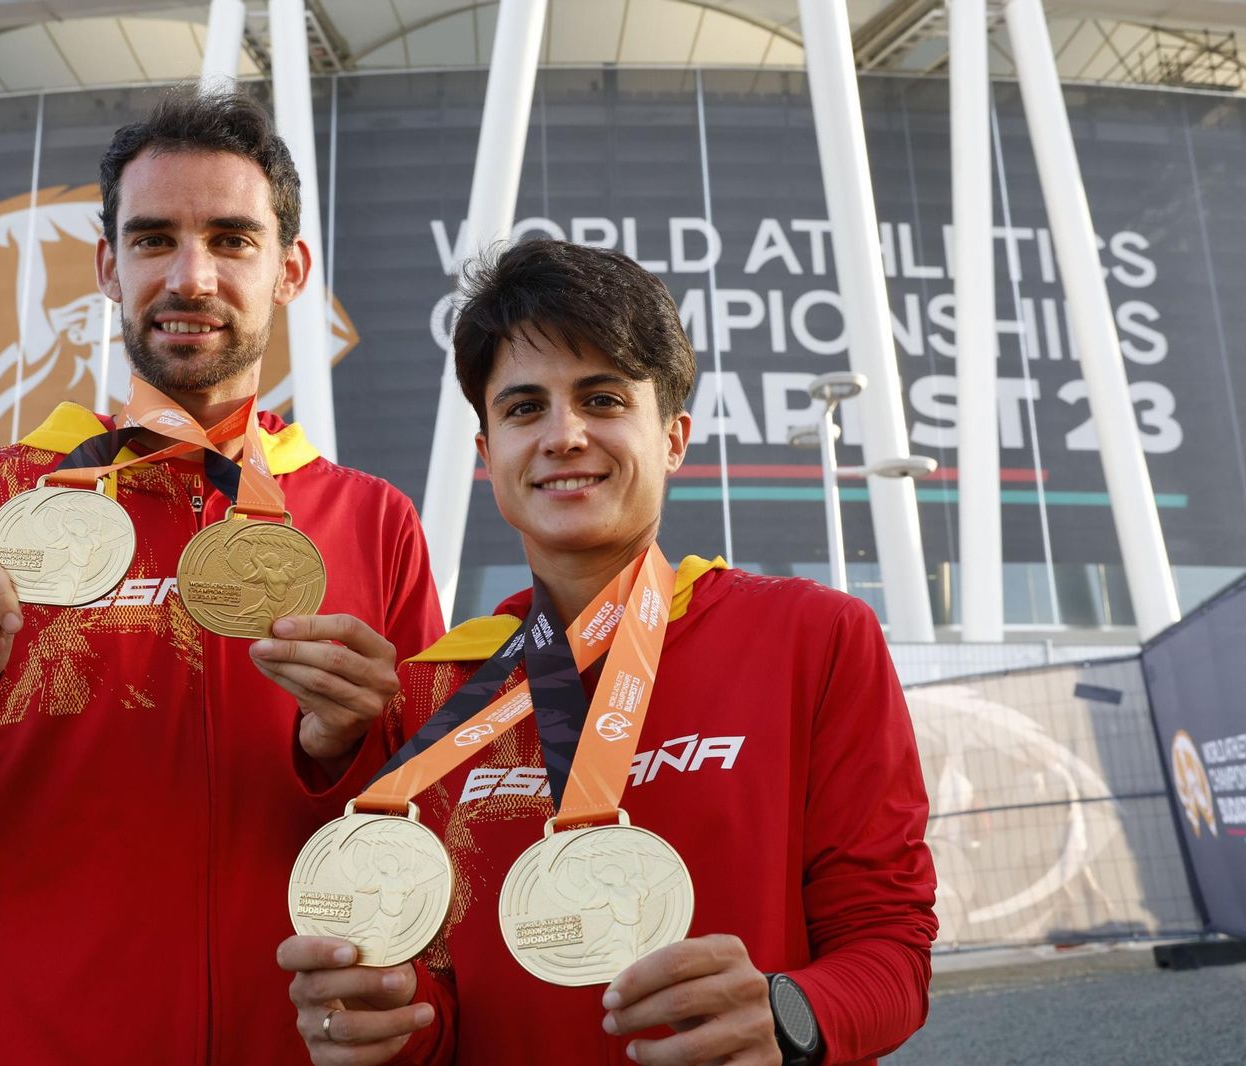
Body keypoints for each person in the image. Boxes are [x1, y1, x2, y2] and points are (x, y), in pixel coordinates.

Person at [0, 83, 445, 1063]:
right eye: (152, 239)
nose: (191, 276)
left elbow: (448, 843)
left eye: (231, 239)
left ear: (291, 269)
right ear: (106, 264)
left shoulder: (373, 520)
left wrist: (351, 747)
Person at [279, 240, 938, 1066]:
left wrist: (789, 1013)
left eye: (602, 398)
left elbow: (891, 947)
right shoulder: (437, 694)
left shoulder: (813, 637)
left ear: (672, 436)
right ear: (488, 458)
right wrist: (384, 1030)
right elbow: (444, 1012)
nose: (564, 435)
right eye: (524, 408)